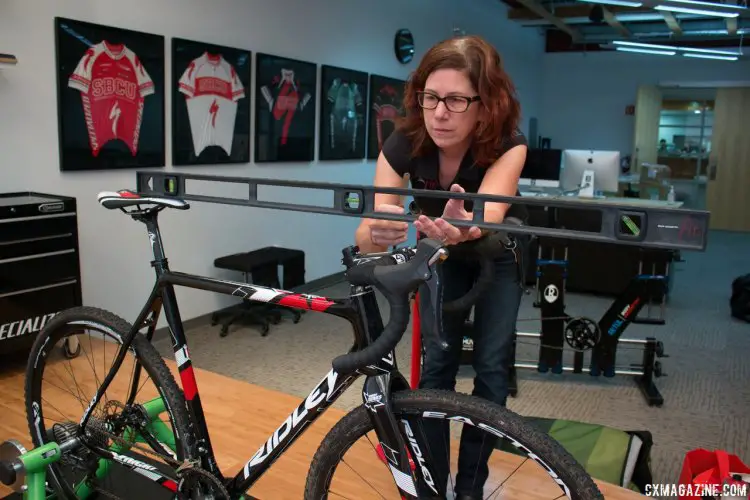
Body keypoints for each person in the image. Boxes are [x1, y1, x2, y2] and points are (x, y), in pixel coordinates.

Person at [354, 35, 529, 499]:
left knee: (491, 371)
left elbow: (487, 220)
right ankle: (433, 483)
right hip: (442, 253)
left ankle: (470, 487)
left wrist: (468, 228)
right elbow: (368, 229)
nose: (439, 113)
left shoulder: (509, 144)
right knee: (438, 366)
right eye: (431, 98)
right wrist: (379, 230)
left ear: (485, 104)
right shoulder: (403, 142)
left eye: (455, 100)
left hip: (497, 255)